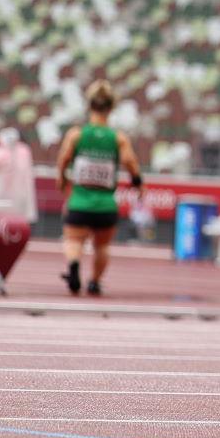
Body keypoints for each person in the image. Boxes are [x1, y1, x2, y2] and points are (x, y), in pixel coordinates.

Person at [54, 81, 143, 296]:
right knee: (102, 247)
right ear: (111, 108)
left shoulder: (76, 135)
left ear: (89, 105)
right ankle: (94, 281)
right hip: (106, 205)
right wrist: (139, 183)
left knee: (73, 240)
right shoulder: (118, 138)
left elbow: (63, 160)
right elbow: (131, 162)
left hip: (79, 202)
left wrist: (62, 181)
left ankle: (74, 266)